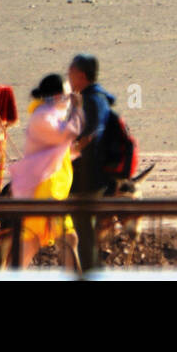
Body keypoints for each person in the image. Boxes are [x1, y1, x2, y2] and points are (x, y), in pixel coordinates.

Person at [8, 74, 83, 270]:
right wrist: (78, 108)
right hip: (45, 191)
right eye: (68, 95)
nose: (71, 98)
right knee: (68, 238)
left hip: (48, 190)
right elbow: (68, 134)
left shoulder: (49, 116)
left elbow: (62, 148)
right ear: (57, 96)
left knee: (31, 243)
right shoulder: (43, 117)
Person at [68, 53, 116, 270]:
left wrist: (68, 152)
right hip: (98, 177)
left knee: (84, 236)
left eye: (70, 73)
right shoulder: (101, 97)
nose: (68, 78)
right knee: (86, 234)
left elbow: (88, 136)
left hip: (87, 178)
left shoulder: (90, 100)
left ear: (80, 75)